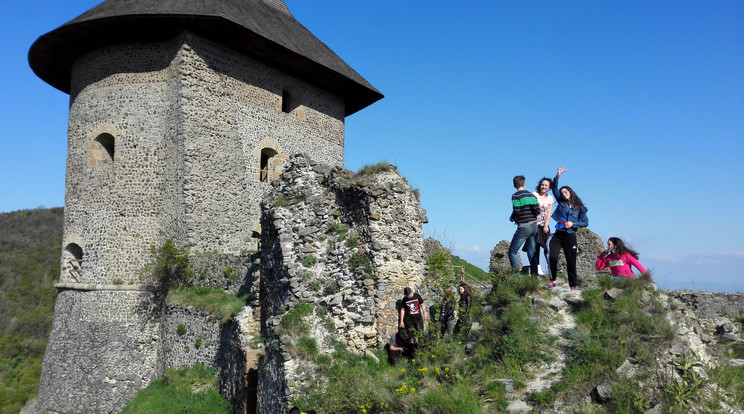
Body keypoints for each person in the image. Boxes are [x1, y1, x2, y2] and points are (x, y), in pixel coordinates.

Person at [547, 167, 588, 291]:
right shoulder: (561, 202)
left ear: (570, 192)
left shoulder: (580, 208)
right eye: (562, 193)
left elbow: (585, 222)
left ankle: (573, 285)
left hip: (570, 236)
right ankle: (553, 279)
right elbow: (554, 189)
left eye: (566, 192)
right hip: (558, 235)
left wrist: (573, 224)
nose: (564, 194)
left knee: (571, 262)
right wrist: (557, 176)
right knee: (552, 257)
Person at [508, 175, 540, 275]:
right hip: (534, 226)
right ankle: (535, 277)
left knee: (512, 252)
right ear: (524, 183)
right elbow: (538, 211)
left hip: (524, 227)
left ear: (514, 185)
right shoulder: (532, 195)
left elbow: (516, 211)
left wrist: (512, 218)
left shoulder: (516, 196)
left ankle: (517, 277)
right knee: (532, 253)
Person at [532, 177, 555, 275]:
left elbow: (549, 212)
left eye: (546, 185)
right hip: (534, 224)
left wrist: (546, 225)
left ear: (549, 187)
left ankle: (552, 266)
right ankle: (538, 267)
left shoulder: (550, 198)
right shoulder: (534, 195)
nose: (544, 187)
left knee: (547, 246)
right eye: (542, 184)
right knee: (536, 246)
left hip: (544, 225)